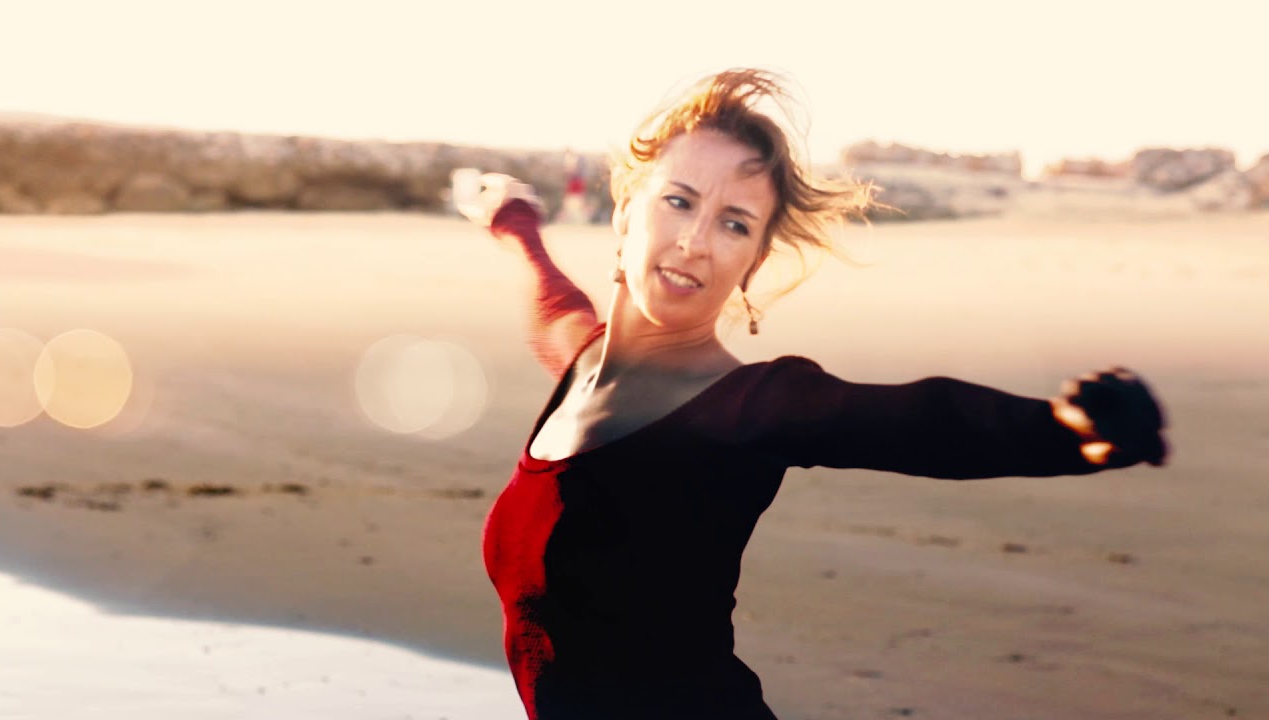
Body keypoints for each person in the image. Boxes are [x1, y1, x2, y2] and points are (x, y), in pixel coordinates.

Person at [463, 69, 1168, 720]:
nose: (696, 242)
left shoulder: (747, 406)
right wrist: (514, 221)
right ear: (625, 211)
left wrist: (1066, 431)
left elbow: (917, 421)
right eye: (678, 201)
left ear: (753, 261)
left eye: (735, 223)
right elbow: (551, 303)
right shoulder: (582, 363)